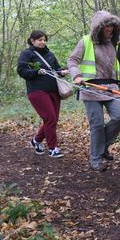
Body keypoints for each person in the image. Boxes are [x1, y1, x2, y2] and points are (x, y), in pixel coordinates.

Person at [67, 11, 120, 172]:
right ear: (99, 27)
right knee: (97, 124)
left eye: (112, 26)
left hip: (111, 88)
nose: (110, 29)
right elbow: (72, 60)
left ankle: (102, 146)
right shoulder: (86, 41)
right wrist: (76, 76)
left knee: (119, 116)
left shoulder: (115, 43)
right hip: (90, 89)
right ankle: (96, 158)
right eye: (106, 26)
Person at [17, 30, 69, 158]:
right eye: (39, 40)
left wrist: (63, 71)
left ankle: (36, 140)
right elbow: (21, 71)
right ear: (32, 41)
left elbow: (56, 69)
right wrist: (36, 72)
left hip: (54, 90)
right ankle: (53, 148)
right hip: (37, 91)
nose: (42, 42)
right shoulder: (27, 54)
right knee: (50, 118)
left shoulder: (50, 54)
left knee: (53, 119)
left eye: (44, 40)